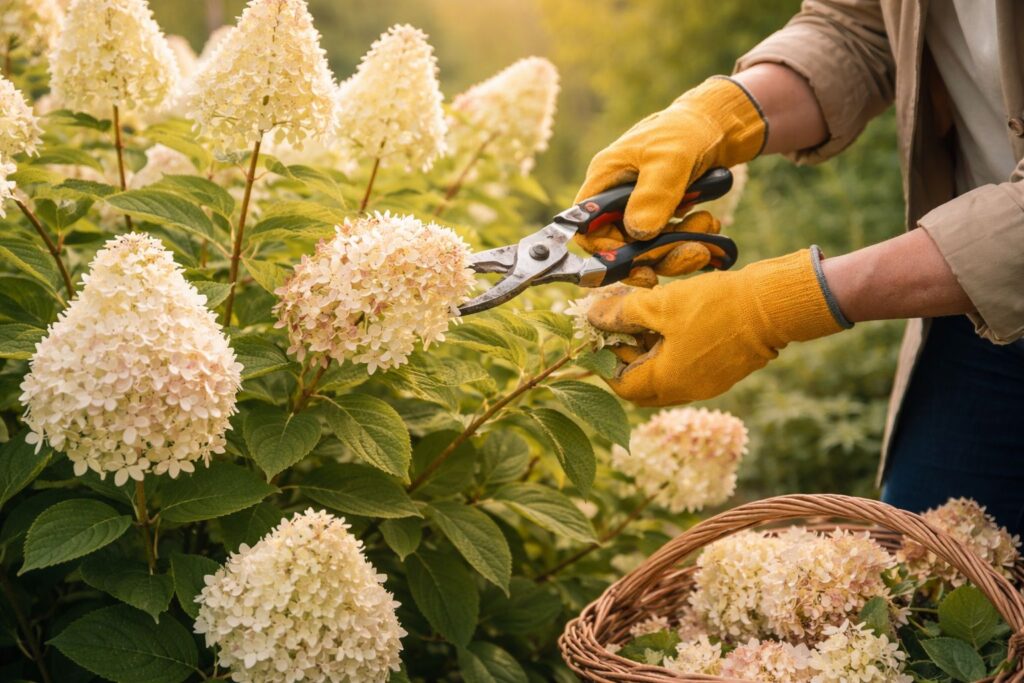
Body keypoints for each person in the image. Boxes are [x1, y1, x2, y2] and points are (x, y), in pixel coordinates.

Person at [575, 0, 1024, 535]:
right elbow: (858, 26)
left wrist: (780, 305)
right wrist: (721, 114)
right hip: (978, 313)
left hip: (979, 267)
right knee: (923, 576)